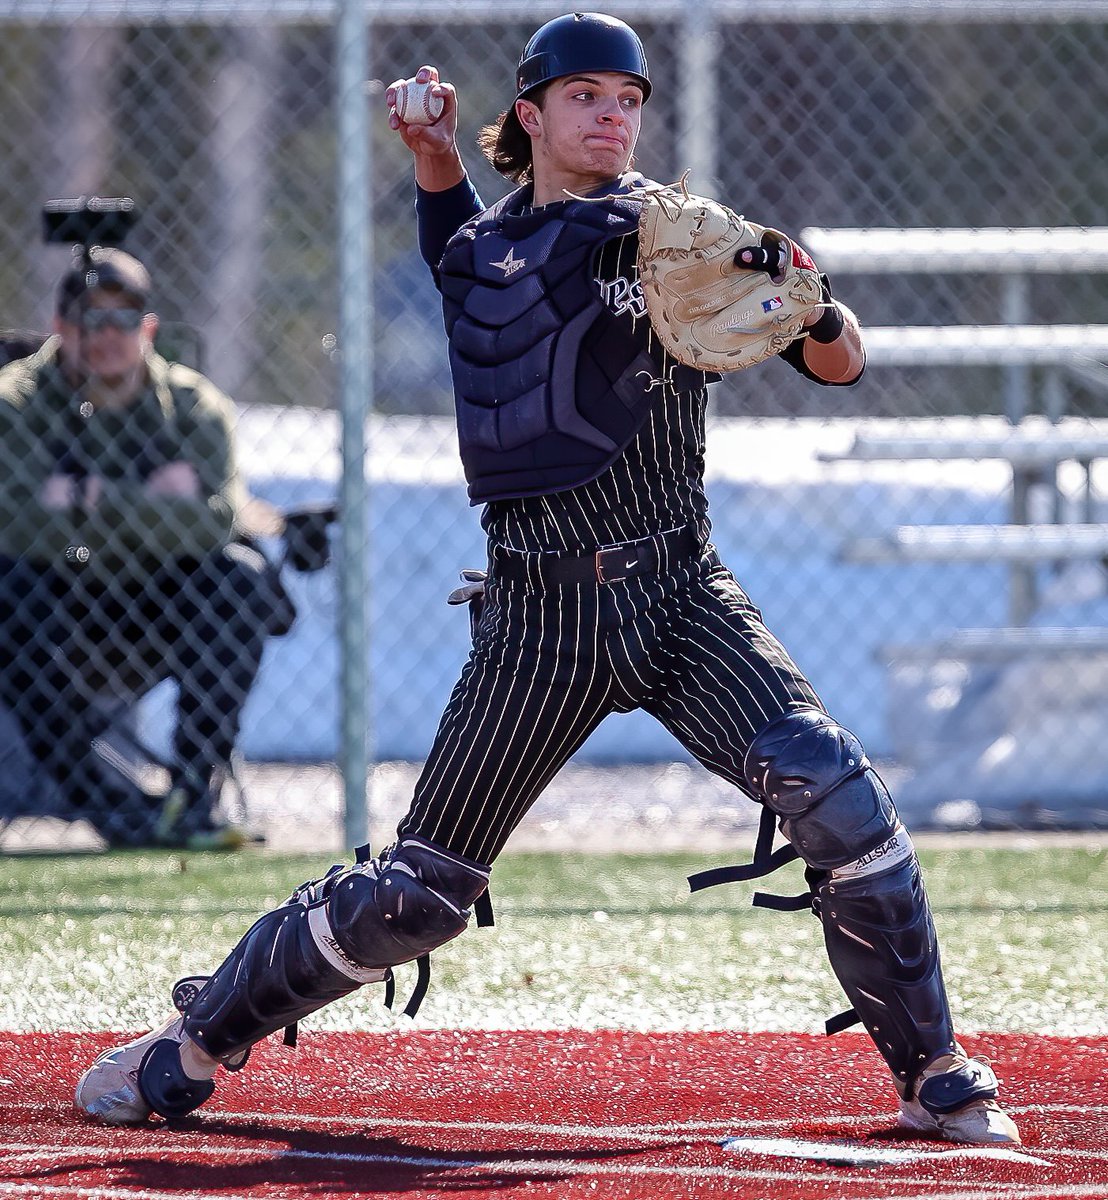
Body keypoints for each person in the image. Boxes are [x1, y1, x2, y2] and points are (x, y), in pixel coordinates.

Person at [74, 13, 1018, 1145]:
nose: (613, 117)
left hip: (678, 596)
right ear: (529, 114)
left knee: (834, 789)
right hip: (538, 615)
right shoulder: (487, 251)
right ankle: (190, 1042)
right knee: (419, 893)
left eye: (628, 99)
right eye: (586, 96)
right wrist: (432, 153)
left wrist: (810, 300)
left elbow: (842, 364)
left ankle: (936, 1071)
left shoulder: (672, 235)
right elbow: (468, 254)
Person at [0, 246, 292, 850]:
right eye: (91, 319)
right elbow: (15, 525)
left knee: (238, 577)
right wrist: (155, 502)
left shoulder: (193, 406)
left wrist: (84, 496)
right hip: (55, 609)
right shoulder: (14, 403)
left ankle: (192, 792)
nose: (108, 335)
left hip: (162, 608)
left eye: (124, 319)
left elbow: (215, 523)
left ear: (149, 328)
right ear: (59, 327)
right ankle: (105, 804)